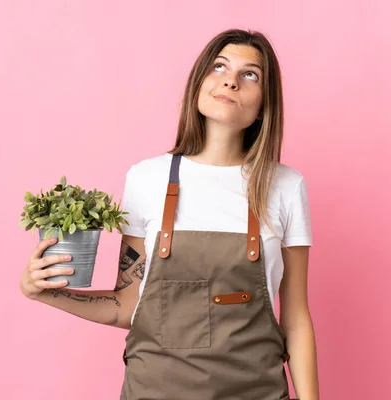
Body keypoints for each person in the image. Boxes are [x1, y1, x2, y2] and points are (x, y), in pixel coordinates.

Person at [20, 28, 319, 400]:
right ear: (198, 84)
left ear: (264, 104)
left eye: (250, 74)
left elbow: (295, 317)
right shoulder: (147, 179)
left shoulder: (286, 186)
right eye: (219, 66)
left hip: (254, 390)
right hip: (154, 390)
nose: (231, 80)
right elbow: (128, 305)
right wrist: (43, 293)